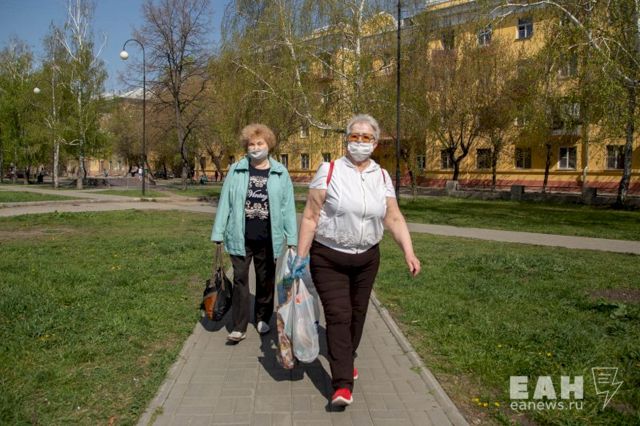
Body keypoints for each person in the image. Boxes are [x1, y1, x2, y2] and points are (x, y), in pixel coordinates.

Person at [291, 114, 421, 407]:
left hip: (367, 259)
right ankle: (342, 385)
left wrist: (409, 252)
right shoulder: (329, 170)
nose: (360, 142)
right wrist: (301, 256)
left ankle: (346, 356)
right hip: (328, 257)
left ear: (375, 143)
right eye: (354, 136)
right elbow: (311, 216)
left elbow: (393, 217)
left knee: (357, 315)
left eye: (366, 137)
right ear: (346, 139)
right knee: (338, 315)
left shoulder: (382, 176)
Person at [211, 123, 298, 342]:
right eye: (251, 144)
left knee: (265, 280)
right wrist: (218, 232)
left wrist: (292, 238)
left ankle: (262, 317)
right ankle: (239, 326)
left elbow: (288, 207)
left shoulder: (280, 172)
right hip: (240, 236)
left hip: (269, 237)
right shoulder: (236, 170)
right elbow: (225, 202)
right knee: (240, 280)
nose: (256, 148)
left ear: (269, 145)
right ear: (246, 147)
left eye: (260, 143)